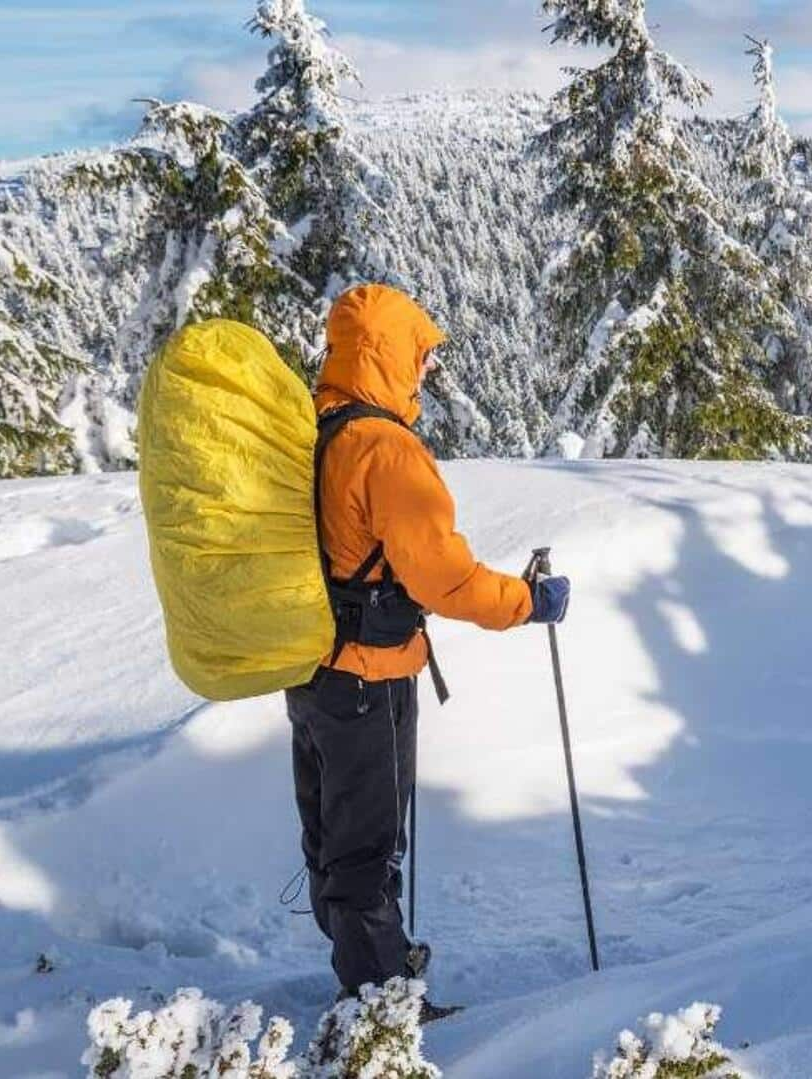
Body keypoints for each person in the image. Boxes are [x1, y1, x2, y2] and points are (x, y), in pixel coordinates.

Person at [287, 284, 570, 1013]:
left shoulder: (313, 431)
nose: (426, 373)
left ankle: (368, 957)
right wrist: (526, 602)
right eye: (420, 356)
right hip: (368, 679)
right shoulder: (384, 449)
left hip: (309, 670)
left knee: (333, 831)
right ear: (387, 354)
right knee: (369, 842)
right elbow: (444, 579)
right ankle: (383, 1003)